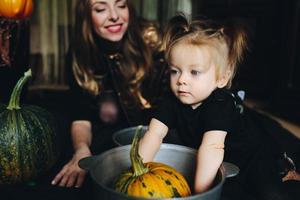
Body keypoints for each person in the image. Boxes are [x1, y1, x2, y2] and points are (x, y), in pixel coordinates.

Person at [138, 14, 300, 199]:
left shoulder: (220, 104)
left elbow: (212, 147)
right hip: (214, 158)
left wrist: (199, 194)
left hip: (250, 156)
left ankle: (288, 173)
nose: (182, 80)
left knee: (271, 194)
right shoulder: (172, 99)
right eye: (175, 71)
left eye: (194, 72)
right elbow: (154, 134)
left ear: (222, 78)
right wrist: (138, 170)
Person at [51, 0, 166, 188]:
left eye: (121, 5)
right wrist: (81, 150)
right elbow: (81, 117)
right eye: (101, 9)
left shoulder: (152, 38)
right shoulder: (78, 55)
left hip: (159, 137)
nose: (114, 15)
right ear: (86, 16)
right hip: (108, 138)